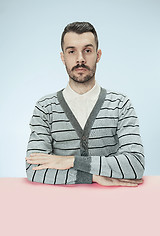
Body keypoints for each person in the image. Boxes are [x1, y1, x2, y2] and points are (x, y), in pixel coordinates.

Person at [25, 21, 145, 187]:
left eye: (87, 51)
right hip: (58, 205)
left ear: (98, 55)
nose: (80, 59)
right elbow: (33, 168)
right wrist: (92, 177)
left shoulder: (120, 105)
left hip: (112, 204)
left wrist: (71, 161)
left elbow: (135, 165)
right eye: (72, 51)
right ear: (63, 57)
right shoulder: (45, 107)